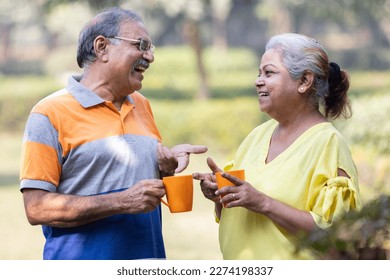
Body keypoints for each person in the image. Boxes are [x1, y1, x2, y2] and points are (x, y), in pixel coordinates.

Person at [20, 7, 207, 260]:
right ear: (102, 47)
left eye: (151, 48)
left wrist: (166, 169)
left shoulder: (142, 105)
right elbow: (36, 208)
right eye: (142, 45)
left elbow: (135, 185)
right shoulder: (48, 113)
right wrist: (121, 201)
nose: (150, 57)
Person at [193, 33, 362, 260]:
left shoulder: (328, 144)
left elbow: (337, 241)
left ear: (304, 81)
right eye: (259, 73)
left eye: (269, 73)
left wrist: (263, 202)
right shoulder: (256, 137)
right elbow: (240, 215)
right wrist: (221, 196)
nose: (258, 81)